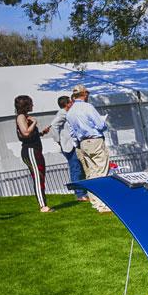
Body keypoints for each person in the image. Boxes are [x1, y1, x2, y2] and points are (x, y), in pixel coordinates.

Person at [65, 84, 112, 213]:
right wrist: (102, 125)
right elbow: (100, 124)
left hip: (82, 143)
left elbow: (72, 133)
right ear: (84, 94)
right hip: (95, 140)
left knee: (91, 173)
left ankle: (96, 203)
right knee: (102, 171)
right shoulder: (88, 107)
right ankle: (103, 205)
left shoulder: (70, 112)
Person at [14, 95, 53, 213]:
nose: (32, 105)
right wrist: (34, 122)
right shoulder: (21, 117)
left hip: (35, 150)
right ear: (25, 105)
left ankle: (43, 204)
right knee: (38, 177)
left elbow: (29, 135)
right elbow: (25, 133)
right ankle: (43, 206)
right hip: (30, 151)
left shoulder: (25, 117)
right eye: (31, 103)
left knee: (40, 176)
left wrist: (41, 133)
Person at [48, 95, 87, 201]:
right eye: (70, 102)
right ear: (66, 104)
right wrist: (58, 141)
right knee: (76, 169)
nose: (72, 103)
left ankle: (83, 192)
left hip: (74, 144)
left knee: (79, 168)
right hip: (69, 146)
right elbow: (54, 126)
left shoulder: (68, 113)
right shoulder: (62, 114)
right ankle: (80, 194)